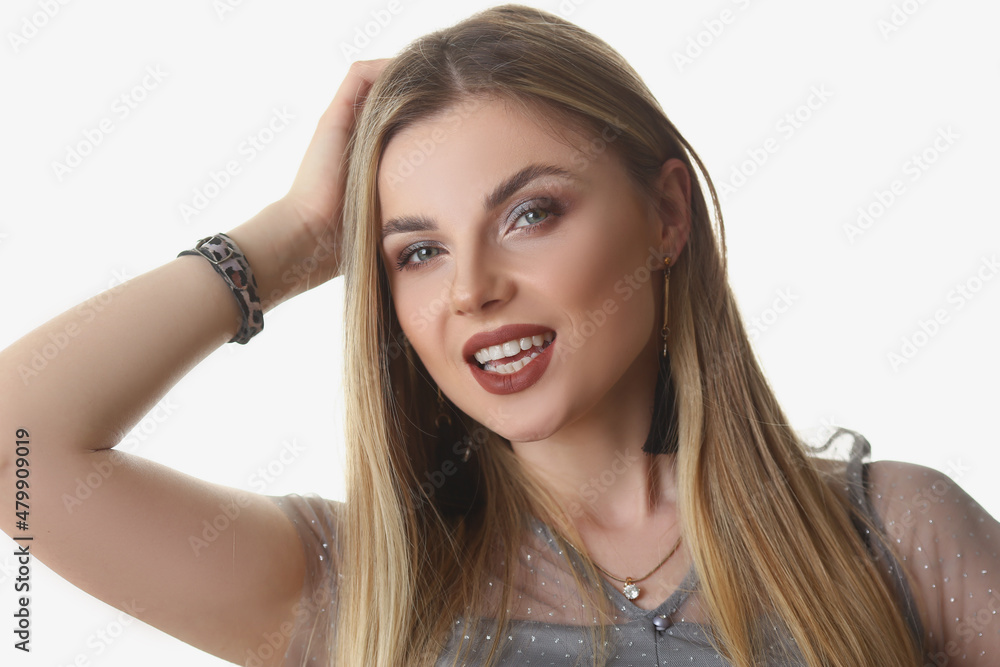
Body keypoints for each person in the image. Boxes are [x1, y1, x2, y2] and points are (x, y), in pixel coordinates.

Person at [1, 4, 997, 666]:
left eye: (530, 214)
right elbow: (18, 449)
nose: (472, 289)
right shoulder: (363, 587)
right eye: (418, 251)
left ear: (666, 216)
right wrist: (292, 238)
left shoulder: (896, 536)